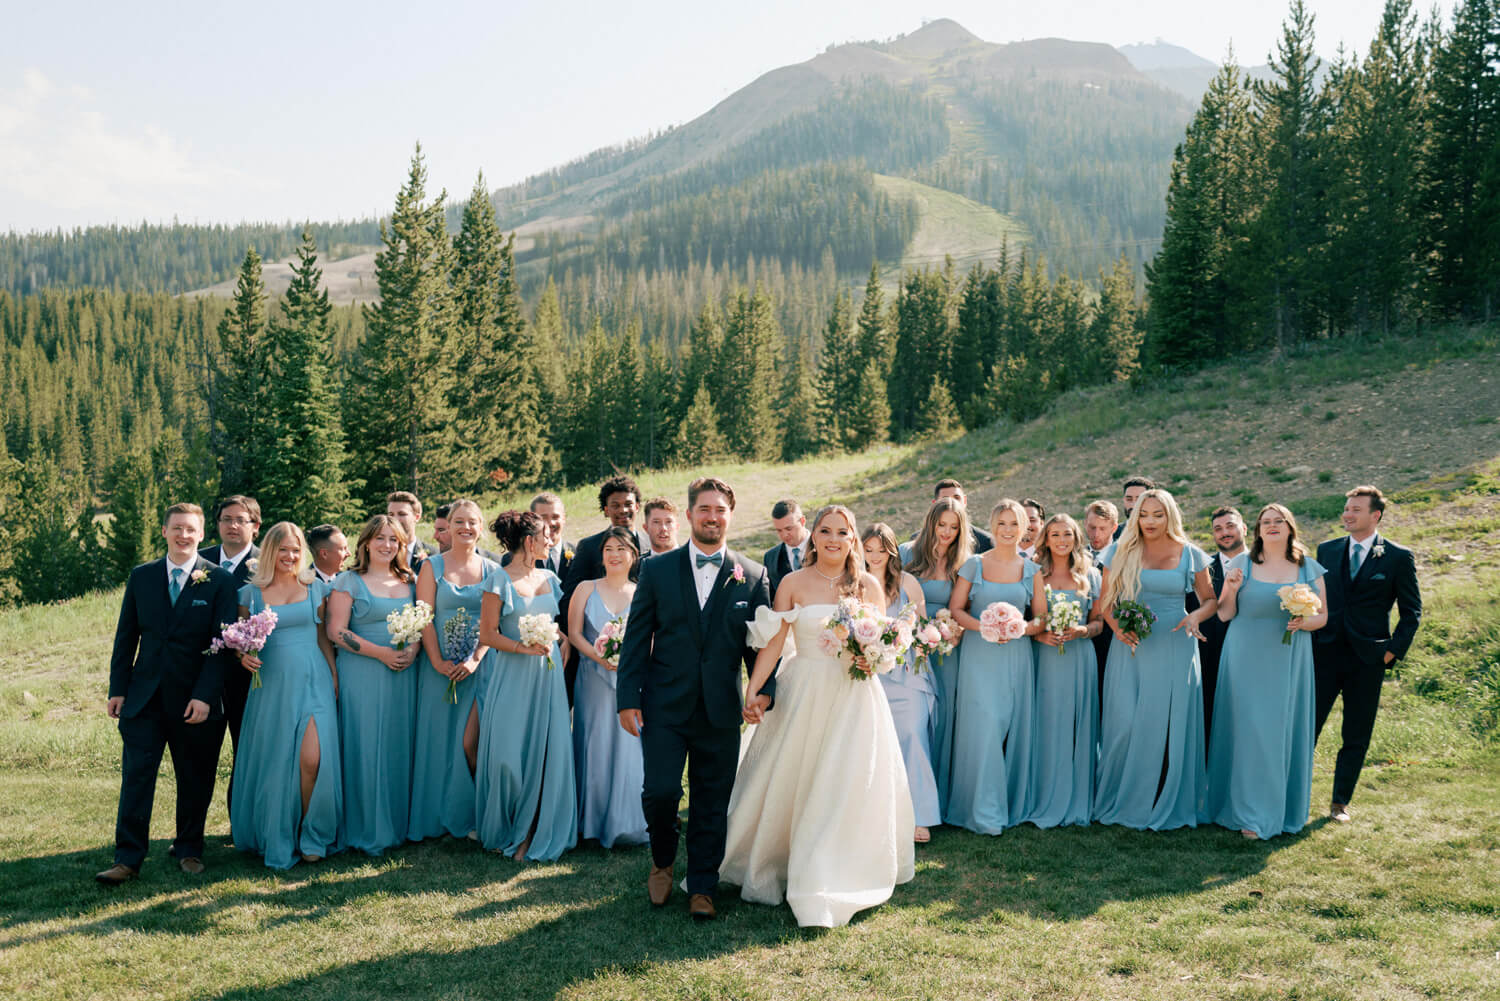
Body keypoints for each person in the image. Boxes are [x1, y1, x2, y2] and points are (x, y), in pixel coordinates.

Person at [721, 504, 914, 927]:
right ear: (814, 537)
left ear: (852, 540)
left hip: (854, 695)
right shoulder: (792, 582)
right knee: (796, 775)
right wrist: (753, 690)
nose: (831, 539)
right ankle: (783, 860)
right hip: (802, 689)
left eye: (841, 532)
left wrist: (872, 661)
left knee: (844, 778)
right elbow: (773, 642)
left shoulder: (866, 585)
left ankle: (833, 866)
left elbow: (884, 645)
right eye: (824, 531)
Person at [616, 477, 772, 921]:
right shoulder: (658, 570)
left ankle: (702, 884)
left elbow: (760, 648)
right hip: (663, 704)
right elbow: (636, 639)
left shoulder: (753, 574)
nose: (712, 517)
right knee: (661, 792)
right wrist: (628, 697)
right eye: (704, 509)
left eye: (720, 510)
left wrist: (763, 693)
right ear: (689, 515)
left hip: (721, 710)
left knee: (711, 800)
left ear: (730, 516)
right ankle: (663, 859)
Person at [98, 503, 238, 885]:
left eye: (191, 529)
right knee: (137, 777)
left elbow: (222, 645)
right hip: (143, 699)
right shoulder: (141, 577)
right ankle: (127, 859)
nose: (183, 536)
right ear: (164, 531)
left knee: (195, 778)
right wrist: (118, 689)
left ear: (201, 534)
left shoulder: (219, 581)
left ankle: (190, 848)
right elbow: (126, 637)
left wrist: (206, 696)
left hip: (195, 699)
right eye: (177, 528)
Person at [1094, 489, 1215, 830]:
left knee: (1169, 724)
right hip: (1131, 646)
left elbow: (1210, 600)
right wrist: (1119, 630)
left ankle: (1168, 797)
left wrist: (1195, 617)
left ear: (1170, 516)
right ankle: (1122, 797)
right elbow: (1106, 602)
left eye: (1157, 515)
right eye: (1143, 514)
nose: (1149, 521)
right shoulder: (1120, 551)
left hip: (1175, 644)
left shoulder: (1190, 554)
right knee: (1126, 724)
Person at [1207, 504, 1327, 839]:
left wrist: (1306, 621)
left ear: (1290, 527)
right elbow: (1225, 615)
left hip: (1287, 657)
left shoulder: (1308, 567)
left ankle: (1273, 809)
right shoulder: (1243, 563)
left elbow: (1323, 617)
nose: (1272, 526)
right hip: (1244, 655)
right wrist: (1229, 589)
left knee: (1275, 732)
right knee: (1247, 732)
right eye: (1266, 522)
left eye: (1279, 521)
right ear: (1257, 530)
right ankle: (1244, 811)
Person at [229, 521, 342, 868]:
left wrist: (333, 677)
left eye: (296, 549)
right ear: (269, 552)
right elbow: (241, 642)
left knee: (312, 759)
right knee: (277, 761)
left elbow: (324, 638)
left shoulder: (316, 590)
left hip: (314, 680)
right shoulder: (250, 594)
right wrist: (241, 655)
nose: (290, 556)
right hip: (273, 685)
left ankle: (311, 833)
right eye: (283, 549)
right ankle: (279, 832)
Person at [1313, 485, 1422, 824]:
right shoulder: (1326, 550)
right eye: (1346, 508)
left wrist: (1390, 653)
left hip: (1368, 660)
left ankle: (1340, 803)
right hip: (1325, 654)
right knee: (1307, 727)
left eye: (1355, 509)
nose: (1347, 514)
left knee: (1356, 733)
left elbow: (1411, 612)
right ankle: (1292, 796)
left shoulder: (1397, 557)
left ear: (1375, 515)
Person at [476, 509, 576, 861]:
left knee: (546, 751)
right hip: (511, 674)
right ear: (530, 541)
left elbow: (551, 620)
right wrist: (521, 647)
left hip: (546, 676)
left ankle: (533, 830)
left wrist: (562, 639)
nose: (551, 541)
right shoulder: (498, 581)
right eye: (546, 535)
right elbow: (487, 633)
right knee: (507, 755)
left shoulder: (550, 577)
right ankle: (507, 825)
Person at [946, 499, 1041, 834]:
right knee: (983, 728)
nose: (1007, 530)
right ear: (993, 526)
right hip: (979, 655)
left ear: (1024, 528)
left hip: (1016, 658)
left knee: (1011, 728)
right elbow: (957, 609)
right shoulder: (974, 564)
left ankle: (1010, 803)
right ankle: (981, 811)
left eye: (1014, 524)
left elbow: (1039, 618)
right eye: (1001, 524)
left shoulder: (1032, 570)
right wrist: (984, 628)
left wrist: (1020, 628)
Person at [325, 515, 418, 855]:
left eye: (394, 540)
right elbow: (336, 630)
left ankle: (399, 824)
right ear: (365, 543)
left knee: (398, 744)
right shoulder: (349, 581)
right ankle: (365, 827)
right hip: (362, 671)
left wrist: (413, 648)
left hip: (404, 675)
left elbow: (420, 623)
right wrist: (380, 654)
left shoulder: (410, 580)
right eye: (380, 538)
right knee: (365, 745)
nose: (387, 545)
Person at [409, 499, 497, 842]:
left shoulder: (491, 570)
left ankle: (471, 815)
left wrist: (475, 658)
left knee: (469, 742)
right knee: (438, 739)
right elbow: (424, 616)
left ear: (481, 526)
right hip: (438, 666)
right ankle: (436, 818)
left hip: (479, 666)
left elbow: (494, 622)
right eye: (459, 521)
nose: (466, 528)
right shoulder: (431, 567)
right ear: (449, 525)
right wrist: (436, 661)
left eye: (472, 522)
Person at [567, 526, 648, 849]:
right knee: (593, 743)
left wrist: (628, 662)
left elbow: (649, 638)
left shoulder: (641, 591)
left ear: (633, 555)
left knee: (628, 746)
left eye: (621, 549)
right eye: (608, 549)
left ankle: (627, 822)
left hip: (629, 680)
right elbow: (574, 633)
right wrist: (599, 658)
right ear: (601, 555)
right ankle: (590, 822)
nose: (614, 555)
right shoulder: (586, 588)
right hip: (592, 679)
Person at [1027, 514, 1105, 828]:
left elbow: (1100, 623)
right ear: (1045, 538)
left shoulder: (1092, 575)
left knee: (1079, 723)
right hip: (1044, 656)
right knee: (1046, 722)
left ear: (1076, 538)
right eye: (1055, 534)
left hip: (1079, 655)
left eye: (1068, 534)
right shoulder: (1033, 573)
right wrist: (1040, 633)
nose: (1061, 540)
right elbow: (1028, 618)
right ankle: (1044, 794)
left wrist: (1083, 630)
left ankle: (1079, 797)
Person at [863, 522, 938, 843]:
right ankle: (877, 815)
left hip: (906, 673)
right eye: (868, 550)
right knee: (872, 743)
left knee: (912, 736)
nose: (875, 556)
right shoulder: (855, 584)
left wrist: (922, 638)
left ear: (893, 550)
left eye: (882, 549)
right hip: (868, 674)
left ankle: (920, 816)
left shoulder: (908, 583)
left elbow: (921, 625)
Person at [902, 496, 972, 818]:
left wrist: (954, 631)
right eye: (941, 525)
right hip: (909, 651)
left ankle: (939, 798)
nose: (946, 532)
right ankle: (909, 796)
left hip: (946, 653)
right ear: (930, 523)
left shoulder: (964, 565)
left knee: (943, 719)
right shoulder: (906, 554)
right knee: (915, 720)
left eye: (953, 527)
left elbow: (966, 608)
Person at [562, 476, 650, 703]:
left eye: (628, 504)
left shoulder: (651, 546)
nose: (623, 510)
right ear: (605, 509)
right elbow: (570, 595)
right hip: (593, 659)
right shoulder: (590, 546)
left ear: (637, 506)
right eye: (615, 505)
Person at [202, 494, 262, 811]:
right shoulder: (199, 561)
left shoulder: (267, 563)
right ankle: (190, 834)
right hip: (202, 673)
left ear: (255, 525)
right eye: (227, 519)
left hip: (249, 676)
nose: (233, 526)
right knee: (199, 755)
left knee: (247, 751)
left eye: (241, 520)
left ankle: (239, 821)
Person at [1197, 506, 1246, 752]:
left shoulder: (1264, 566)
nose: (1224, 533)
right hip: (1212, 656)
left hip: (1253, 654)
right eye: (1218, 529)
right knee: (1210, 718)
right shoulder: (1202, 568)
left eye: (1230, 526)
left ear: (1244, 528)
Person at [1083, 500, 1119, 704]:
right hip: (1082, 639)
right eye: (1091, 527)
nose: (1096, 534)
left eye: (1102, 528)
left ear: (1114, 527)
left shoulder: (1126, 557)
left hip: (1114, 639)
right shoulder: (1076, 557)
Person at [906, 479, 993, 555]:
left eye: (956, 498)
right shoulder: (917, 539)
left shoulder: (985, 541)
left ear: (965, 501)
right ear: (935, 504)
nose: (952, 502)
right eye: (945, 499)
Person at [762, 498, 810, 597]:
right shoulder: (770, 558)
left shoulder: (824, 548)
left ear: (802, 521)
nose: (784, 535)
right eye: (779, 530)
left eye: (789, 528)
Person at [386, 491, 436, 572]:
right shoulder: (380, 552)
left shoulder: (433, 555)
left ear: (416, 517)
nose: (395, 519)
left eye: (402, 514)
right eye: (391, 515)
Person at [1113, 476, 1157, 541]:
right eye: (1129, 499)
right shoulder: (1112, 534)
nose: (1133, 505)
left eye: (1139, 499)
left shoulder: (1161, 533)